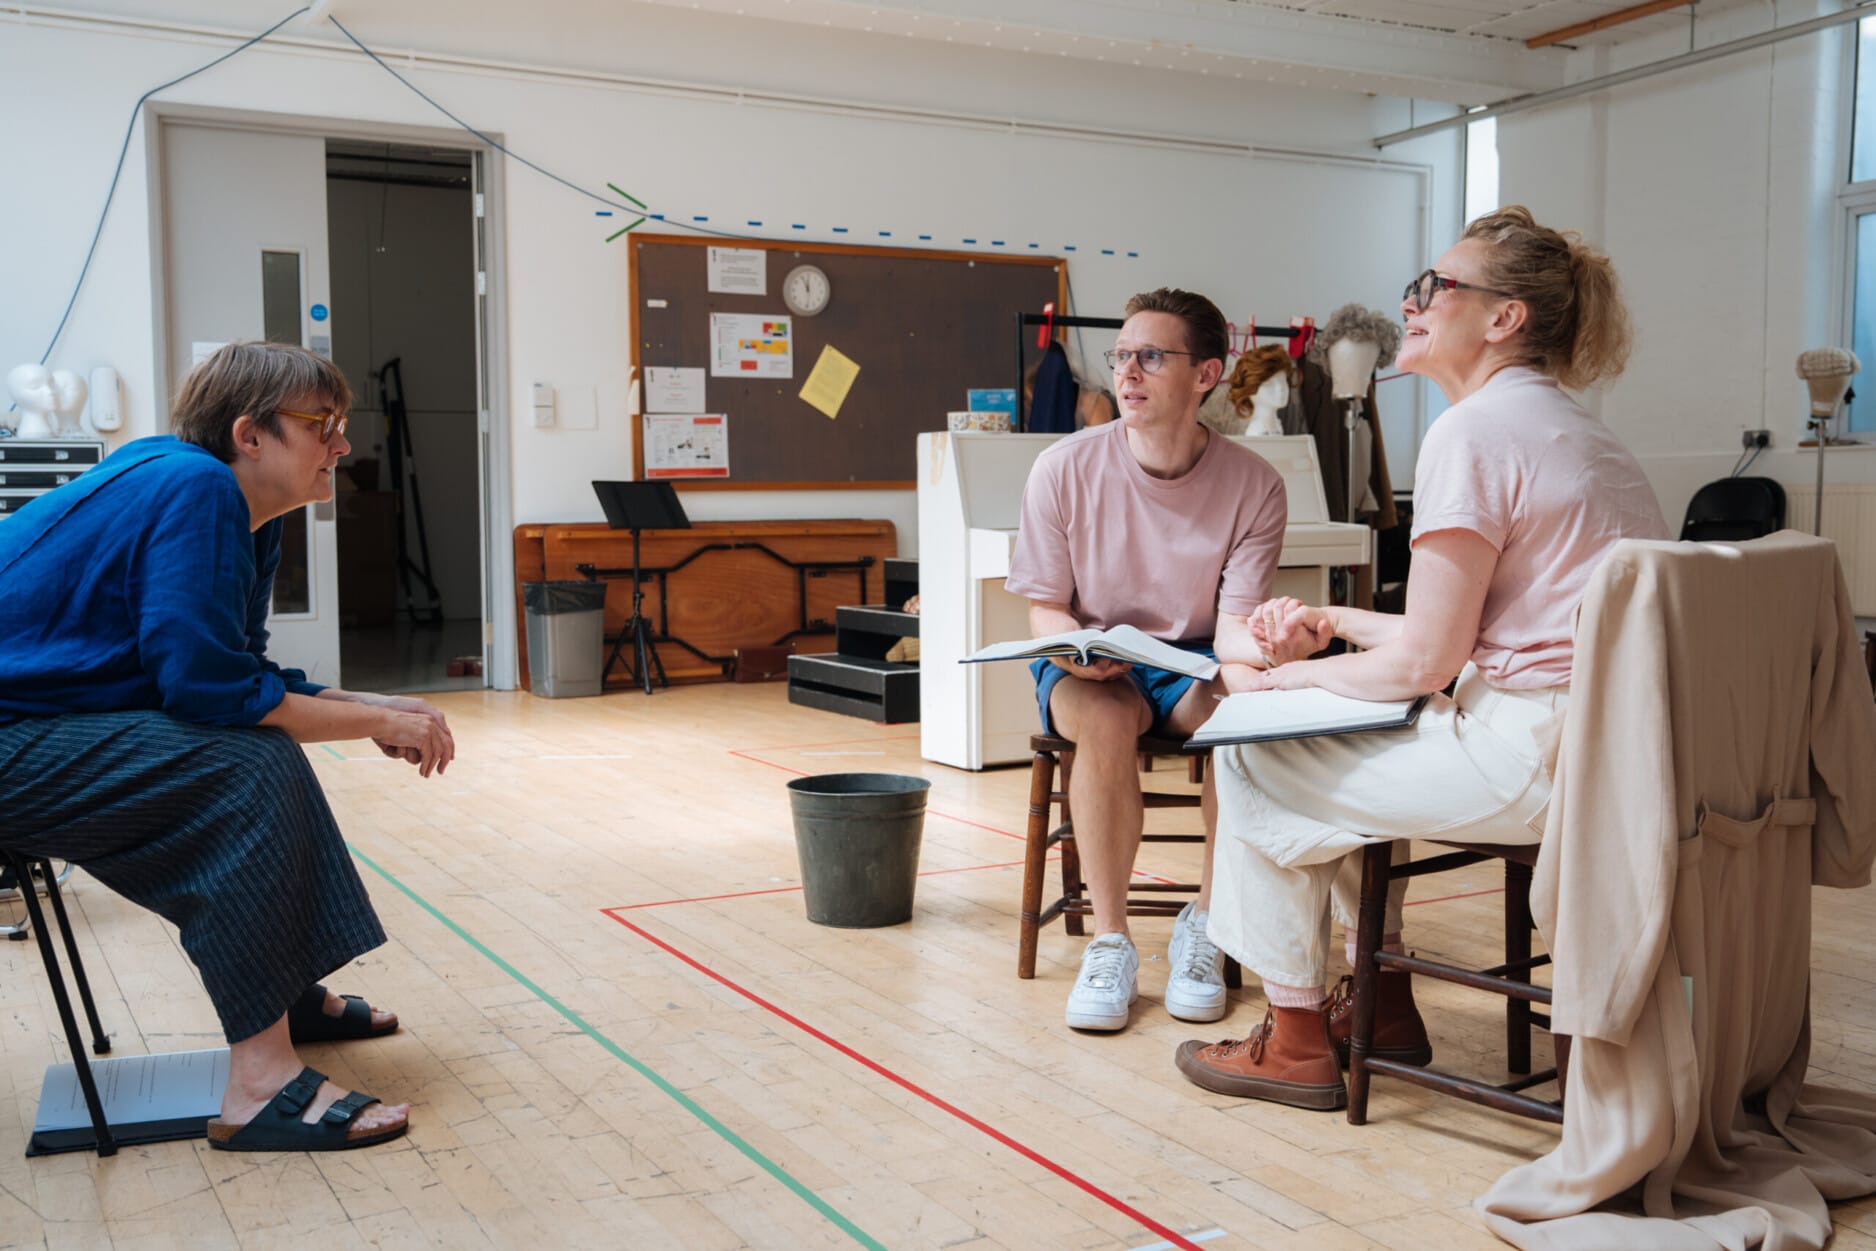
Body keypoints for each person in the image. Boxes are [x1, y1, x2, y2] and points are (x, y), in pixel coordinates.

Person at [1174, 207, 1670, 1110]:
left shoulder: (1472, 433)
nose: (1411, 303)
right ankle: (1384, 1000)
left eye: (1435, 287)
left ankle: (1294, 1040)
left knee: (1254, 744)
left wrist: (1287, 675)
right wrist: (1336, 621)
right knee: (1333, 745)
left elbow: (1426, 665)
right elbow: (1475, 629)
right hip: (1605, 749)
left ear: (1504, 317)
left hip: (1531, 759)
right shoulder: (1581, 432)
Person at [0, 341, 456, 1151]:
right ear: (250, 435)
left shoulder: (237, 506)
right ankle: (259, 1086)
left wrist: (379, 705)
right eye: (323, 425)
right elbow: (212, 694)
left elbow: (238, 671)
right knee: (244, 766)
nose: (342, 444)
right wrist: (377, 723)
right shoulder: (198, 487)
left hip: (29, 728)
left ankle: (283, 992)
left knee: (256, 745)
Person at [1004, 288, 1289, 1032]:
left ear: (1206, 375)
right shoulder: (1061, 467)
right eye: (1122, 355)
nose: (1127, 373)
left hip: (1193, 658)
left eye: (1152, 357)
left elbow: (1233, 630)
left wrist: (1264, 671)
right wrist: (1074, 649)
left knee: (1244, 709)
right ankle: (1111, 940)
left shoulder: (1256, 485)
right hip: (1088, 654)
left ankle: (1207, 922)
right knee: (1102, 717)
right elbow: (1046, 606)